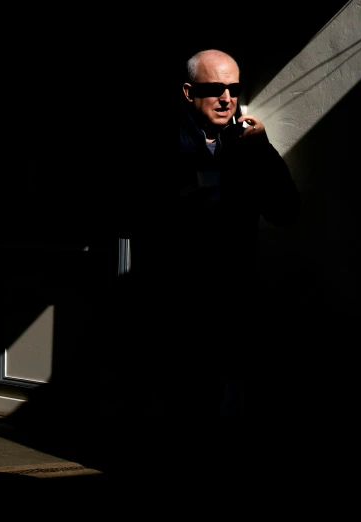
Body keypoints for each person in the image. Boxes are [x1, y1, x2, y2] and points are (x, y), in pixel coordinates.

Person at [121, 49, 300, 414]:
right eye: (215, 88)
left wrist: (262, 149)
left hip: (230, 303)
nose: (226, 98)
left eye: (233, 88)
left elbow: (285, 210)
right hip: (175, 306)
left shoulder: (243, 145)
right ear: (189, 92)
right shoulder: (162, 142)